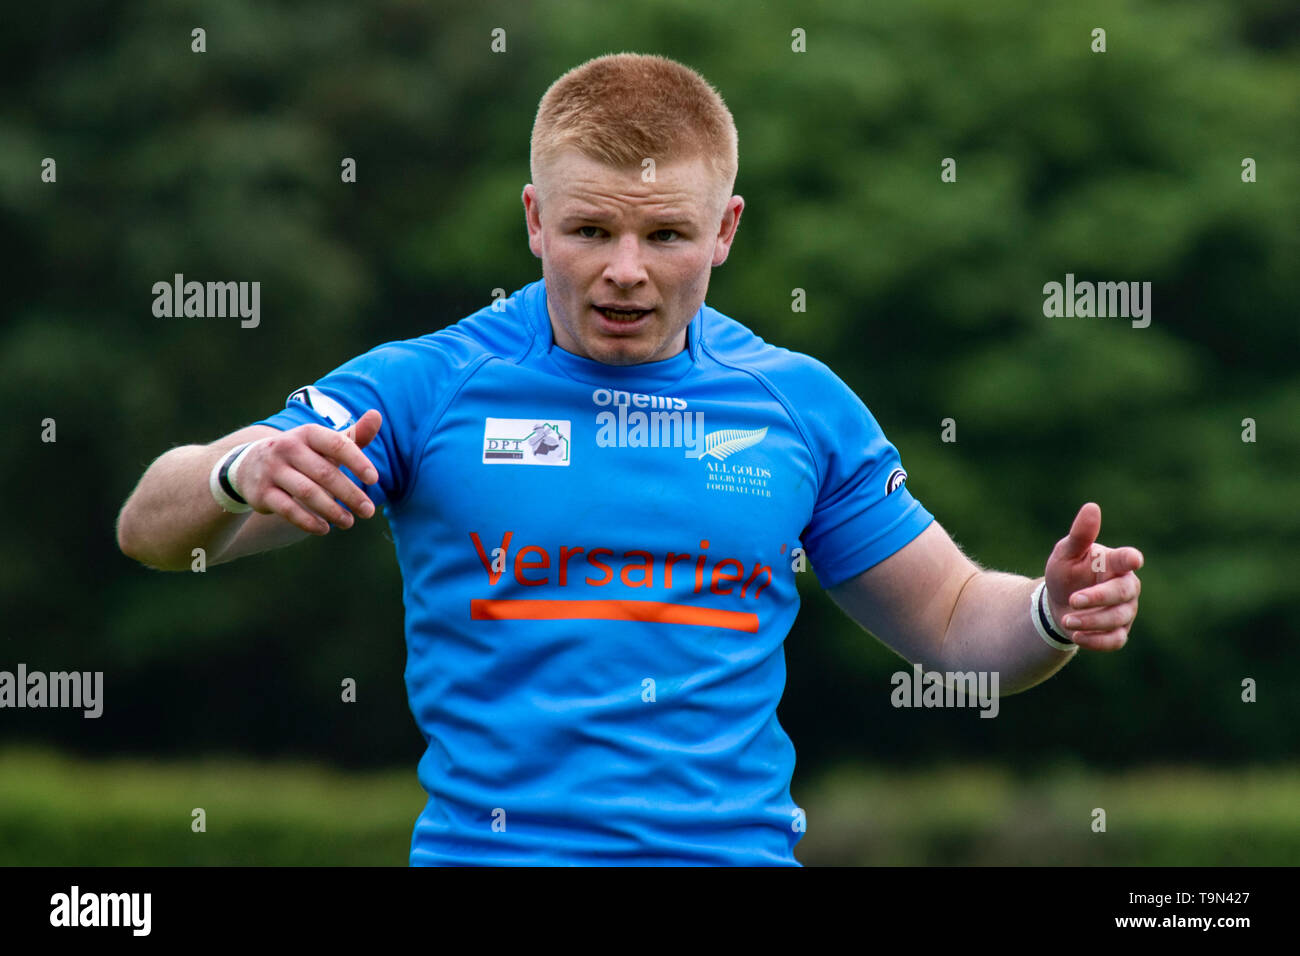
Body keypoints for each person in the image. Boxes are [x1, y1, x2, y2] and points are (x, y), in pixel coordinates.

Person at [116, 52, 1143, 866]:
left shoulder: (798, 404)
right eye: (589, 227)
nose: (623, 270)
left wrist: (1051, 611)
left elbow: (958, 620)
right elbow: (153, 530)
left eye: (664, 234)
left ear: (726, 230)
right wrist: (232, 472)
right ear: (532, 220)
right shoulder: (427, 386)